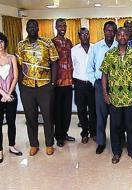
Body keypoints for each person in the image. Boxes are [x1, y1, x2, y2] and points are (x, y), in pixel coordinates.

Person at [100, 27, 132, 164]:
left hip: (131, 97)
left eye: (125, 34)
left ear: (129, 36)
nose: (123, 37)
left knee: (131, 126)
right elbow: (104, 75)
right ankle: (116, 152)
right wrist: (105, 93)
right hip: (115, 98)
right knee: (115, 126)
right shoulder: (109, 54)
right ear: (116, 37)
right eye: (120, 34)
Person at [16, 19, 58, 156]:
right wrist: (21, 86)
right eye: (29, 26)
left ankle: (49, 144)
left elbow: (54, 63)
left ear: (38, 28)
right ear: (26, 29)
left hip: (45, 86)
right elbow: (19, 66)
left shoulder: (47, 43)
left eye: (34, 26)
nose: (32, 28)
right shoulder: (21, 45)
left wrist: (52, 83)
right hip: (27, 87)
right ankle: (34, 144)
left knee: (48, 116)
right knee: (30, 117)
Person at [88, 21, 118, 154]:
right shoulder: (96, 47)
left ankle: (116, 141)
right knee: (101, 116)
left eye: (112, 31)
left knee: (116, 116)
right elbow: (89, 68)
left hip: (117, 86)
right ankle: (101, 142)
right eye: (107, 30)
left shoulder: (120, 46)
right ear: (104, 31)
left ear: (115, 32)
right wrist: (95, 82)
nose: (110, 33)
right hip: (100, 84)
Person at [52, 18, 75, 147]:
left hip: (68, 82)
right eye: (60, 25)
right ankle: (59, 136)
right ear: (56, 27)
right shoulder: (52, 43)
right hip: (57, 83)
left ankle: (65, 133)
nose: (62, 27)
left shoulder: (68, 42)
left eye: (64, 26)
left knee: (67, 111)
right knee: (58, 111)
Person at [0, 32, 22, 163]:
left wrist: (9, 93)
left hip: (11, 94)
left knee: (11, 122)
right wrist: (3, 94)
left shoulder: (12, 57)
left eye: (1, 42)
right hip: (1, 95)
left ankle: (12, 146)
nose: (0, 45)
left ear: (5, 43)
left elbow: (15, 76)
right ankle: (0, 151)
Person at [71, 27, 96, 144]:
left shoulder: (95, 48)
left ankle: (94, 132)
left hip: (92, 84)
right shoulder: (74, 50)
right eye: (83, 34)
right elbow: (71, 67)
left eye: (87, 34)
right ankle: (84, 133)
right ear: (79, 36)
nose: (85, 36)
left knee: (93, 110)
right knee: (81, 110)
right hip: (79, 84)